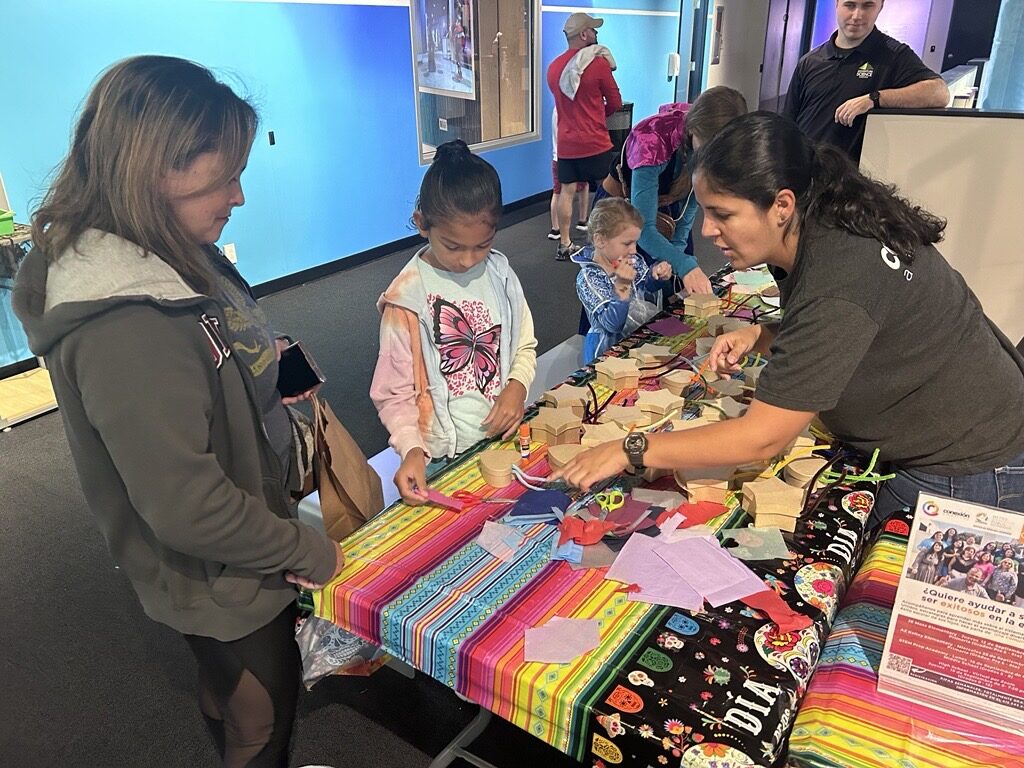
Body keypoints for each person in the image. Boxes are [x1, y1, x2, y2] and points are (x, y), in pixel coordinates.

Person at [12, 56, 342, 767]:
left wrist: (266, 364)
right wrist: (304, 548)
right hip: (218, 567)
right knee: (262, 712)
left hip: (228, 548)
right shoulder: (127, 324)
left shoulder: (169, 252)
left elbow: (208, 351)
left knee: (230, 692)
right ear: (156, 168)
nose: (241, 195)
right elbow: (187, 506)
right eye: (225, 177)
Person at [552, 112, 1024, 532]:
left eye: (723, 214)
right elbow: (864, 329)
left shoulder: (839, 273)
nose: (708, 230)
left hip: (963, 464)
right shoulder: (825, 222)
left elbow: (764, 437)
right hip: (969, 430)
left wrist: (631, 449)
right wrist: (761, 334)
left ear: (781, 205)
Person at [371, 139, 538, 505]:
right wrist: (411, 448)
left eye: (482, 245)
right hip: (441, 459)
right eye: (452, 246)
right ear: (421, 224)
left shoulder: (500, 273)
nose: (467, 260)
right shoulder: (407, 299)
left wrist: (516, 388)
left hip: (500, 441)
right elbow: (392, 393)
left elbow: (524, 344)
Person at [604, 86, 747, 293]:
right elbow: (643, 229)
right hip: (623, 213)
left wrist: (674, 257)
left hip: (669, 214)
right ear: (693, 131)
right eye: (707, 149)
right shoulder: (652, 140)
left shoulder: (704, 142)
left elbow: (687, 212)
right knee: (623, 290)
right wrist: (683, 263)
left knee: (672, 282)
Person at [783, 0, 948, 161]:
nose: (857, 15)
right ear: (837, 4)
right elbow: (787, 124)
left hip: (850, 180)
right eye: (850, 5)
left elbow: (940, 93)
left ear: (880, 7)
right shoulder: (810, 61)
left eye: (867, 5)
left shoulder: (893, 56)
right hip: (804, 171)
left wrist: (874, 99)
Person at [547, 12, 622, 261]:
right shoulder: (598, 64)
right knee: (609, 192)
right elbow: (615, 102)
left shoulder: (554, 68)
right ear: (583, 34)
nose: (596, 34)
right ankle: (607, 243)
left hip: (567, 144)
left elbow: (562, 104)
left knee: (566, 191)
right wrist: (599, 115)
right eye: (593, 30)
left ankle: (565, 244)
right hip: (595, 142)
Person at [573, 198, 672, 363]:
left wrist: (657, 276)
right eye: (627, 243)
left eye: (635, 242)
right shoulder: (588, 277)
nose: (633, 250)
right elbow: (612, 325)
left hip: (638, 337)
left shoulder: (632, 259)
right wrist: (622, 288)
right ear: (600, 240)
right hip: (608, 352)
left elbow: (645, 288)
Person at [549, 106, 591, 241]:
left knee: (558, 192)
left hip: (558, 157)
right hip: (574, 157)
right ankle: (582, 221)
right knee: (579, 187)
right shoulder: (572, 110)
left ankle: (556, 229)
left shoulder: (557, 109)